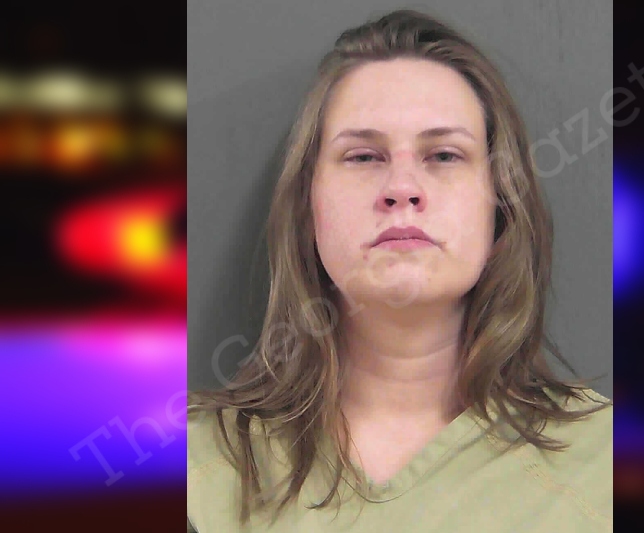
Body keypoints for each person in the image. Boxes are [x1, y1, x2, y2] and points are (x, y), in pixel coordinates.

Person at [187, 9, 612, 533]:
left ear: (500, 204)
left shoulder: (607, 466)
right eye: (363, 157)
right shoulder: (192, 471)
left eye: (445, 155)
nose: (402, 187)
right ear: (307, 204)